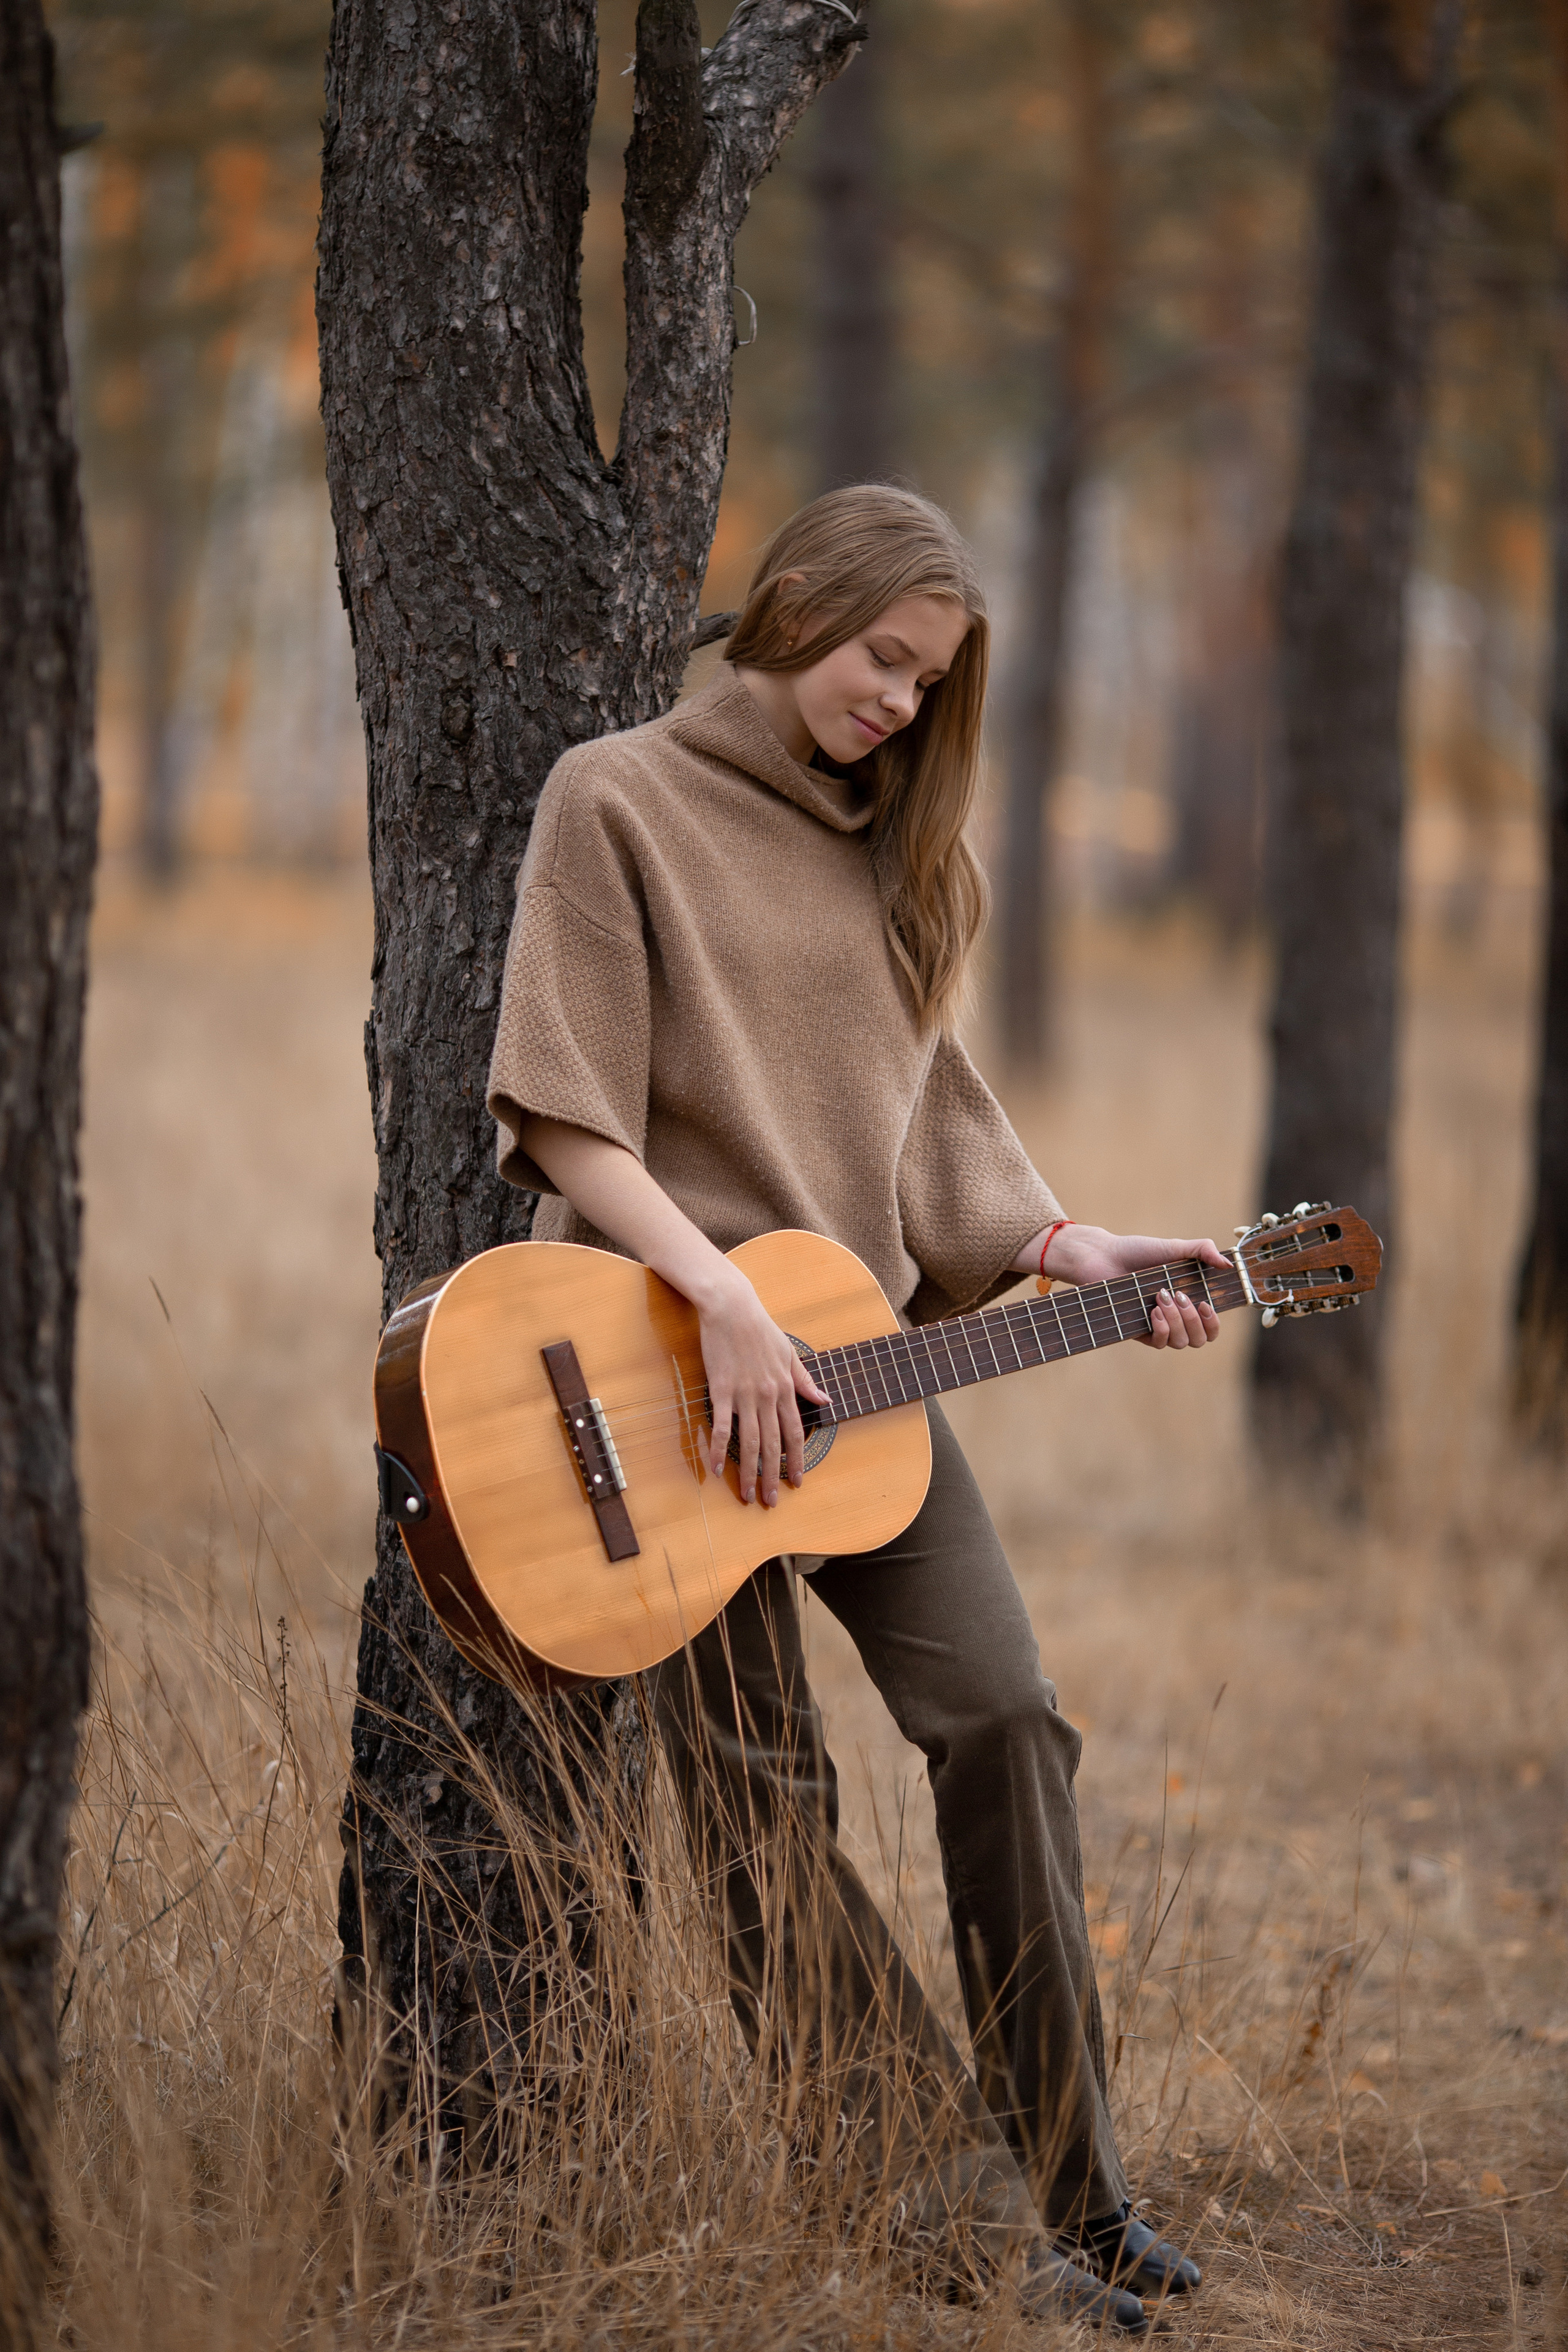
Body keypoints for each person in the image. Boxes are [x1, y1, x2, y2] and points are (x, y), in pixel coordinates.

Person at [487, 486, 1221, 2335]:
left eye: (930, 683)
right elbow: (562, 1104)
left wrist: (1078, 1248)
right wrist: (717, 1295)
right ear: (798, 602)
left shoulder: (903, 856)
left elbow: (930, 1120)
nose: (899, 704)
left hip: (862, 1386)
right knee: (755, 1817)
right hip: (658, 1386)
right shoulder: (617, 797)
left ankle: (1084, 2194)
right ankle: (956, 2231)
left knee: (1008, 1722)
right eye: (884, 660)